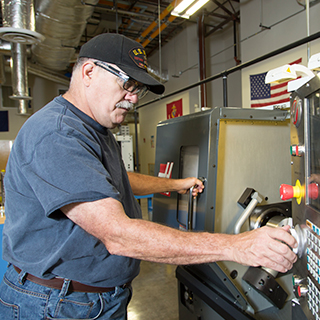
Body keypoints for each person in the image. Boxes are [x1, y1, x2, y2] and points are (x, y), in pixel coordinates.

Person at [0, 33, 297, 320]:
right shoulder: (59, 133)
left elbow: (113, 181)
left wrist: (176, 184)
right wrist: (238, 246)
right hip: (59, 305)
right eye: (127, 84)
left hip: (93, 298)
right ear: (89, 72)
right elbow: (118, 235)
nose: (132, 99)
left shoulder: (95, 129)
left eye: (137, 90)